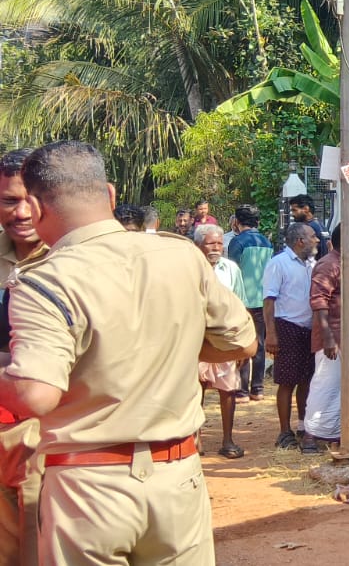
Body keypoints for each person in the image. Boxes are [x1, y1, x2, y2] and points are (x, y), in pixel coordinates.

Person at [0, 140, 254, 565]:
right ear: (111, 194)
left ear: (38, 208)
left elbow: (35, 395)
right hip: (178, 475)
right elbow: (242, 342)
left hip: (87, 484)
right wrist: (170, 346)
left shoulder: (44, 281)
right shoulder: (182, 255)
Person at [0, 148, 43, 566]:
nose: (22, 212)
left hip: (48, 431)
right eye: (9, 200)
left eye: (31, 199)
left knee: (40, 542)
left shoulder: (74, 261)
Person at [263, 222, 319, 450]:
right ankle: (284, 431)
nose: (317, 240)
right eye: (313, 236)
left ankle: (303, 425)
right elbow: (269, 301)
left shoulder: (312, 264)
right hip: (287, 327)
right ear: (300, 241)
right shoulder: (278, 264)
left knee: (306, 380)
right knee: (287, 382)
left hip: (309, 328)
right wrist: (271, 334)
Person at [193, 224, 245, 460]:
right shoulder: (190, 269)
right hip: (197, 340)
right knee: (196, 390)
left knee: (229, 389)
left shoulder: (231, 269)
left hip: (225, 338)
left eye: (219, 243)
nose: (216, 248)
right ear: (198, 245)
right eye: (211, 243)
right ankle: (196, 439)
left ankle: (228, 440)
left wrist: (242, 343)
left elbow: (241, 303)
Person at [304, 223, 345, 451]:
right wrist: (328, 337)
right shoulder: (329, 264)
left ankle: (334, 434)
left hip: (348, 336)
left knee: (341, 387)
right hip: (334, 336)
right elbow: (318, 301)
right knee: (325, 385)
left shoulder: (346, 263)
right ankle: (311, 435)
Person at [228, 205, 273, 401]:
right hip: (263, 299)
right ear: (257, 222)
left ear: (237, 222)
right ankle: (258, 388)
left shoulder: (237, 242)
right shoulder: (266, 242)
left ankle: (242, 390)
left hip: (242, 300)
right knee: (260, 344)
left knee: (243, 344)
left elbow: (233, 270)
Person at [288, 194, 330, 259]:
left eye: (294, 210)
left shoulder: (308, 229)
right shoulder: (320, 225)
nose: (292, 214)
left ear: (306, 209)